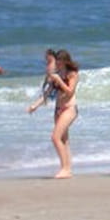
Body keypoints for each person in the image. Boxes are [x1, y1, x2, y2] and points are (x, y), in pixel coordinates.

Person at [32, 49, 80, 178]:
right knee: (64, 140)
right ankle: (67, 169)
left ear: (65, 61)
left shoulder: (72, 74)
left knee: (55, 137)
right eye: (56, 62)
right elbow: (46, 95)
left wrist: (59, 80)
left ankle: (64, 168)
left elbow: (70, 92)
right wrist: (34, 106)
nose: (56, 65)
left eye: (59, 62)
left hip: (70, 109)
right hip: (58, 110)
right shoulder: (56, 75)